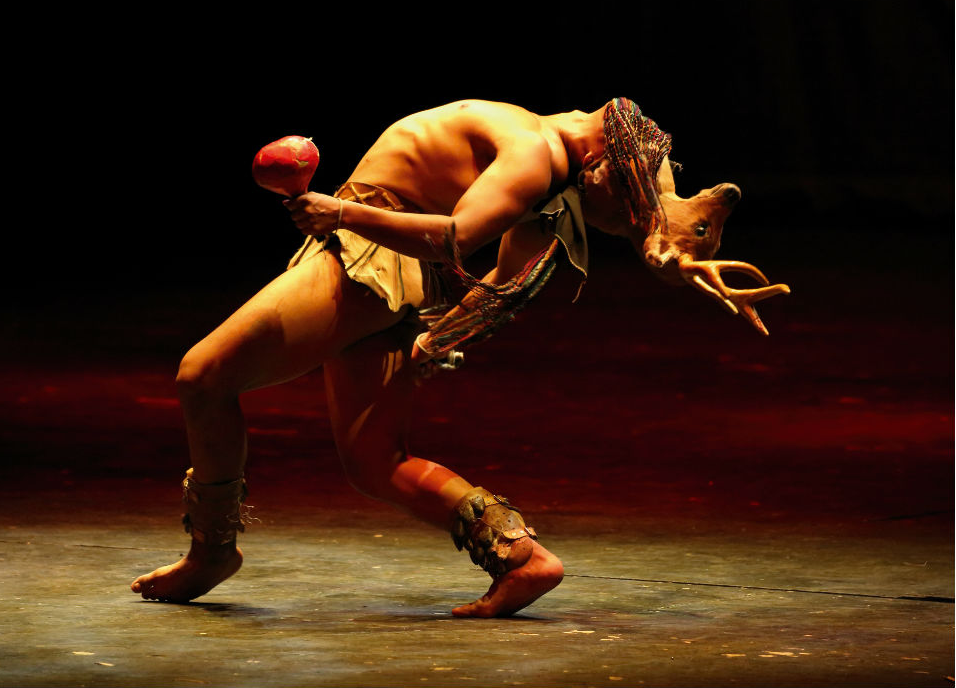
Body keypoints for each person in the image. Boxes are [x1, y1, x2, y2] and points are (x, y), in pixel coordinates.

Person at [130, 97, 787, 617]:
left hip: (369, 258)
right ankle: (519, 556)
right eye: (621, 216)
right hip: (379, 260)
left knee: (204, 375)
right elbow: (501, 277)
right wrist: (435, 330)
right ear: (605, 168)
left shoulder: (534, 156)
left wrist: (338, 210)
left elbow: (454, 238)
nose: (610, 227)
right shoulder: (543, 159)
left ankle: (211, 551)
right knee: (374, 460)